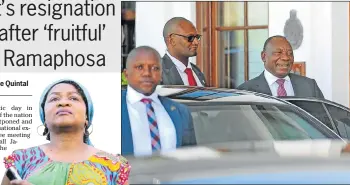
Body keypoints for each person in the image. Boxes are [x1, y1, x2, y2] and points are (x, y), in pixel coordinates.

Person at [2, 79, 131, 185]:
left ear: (87, 116)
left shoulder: (113, 166)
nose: (63, 102)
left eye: (74, 98)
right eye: (54, 99)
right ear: (44, 118)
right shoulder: (21, 160)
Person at [121, 46, 196, 156]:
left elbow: (191, 160)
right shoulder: (110, 110)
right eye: (140, 67)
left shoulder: (181, 112)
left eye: (155, 68)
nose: (147, 73)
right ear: (126, 74)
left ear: (161, 74)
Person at [237, 35, 324, 98]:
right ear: (264, 56)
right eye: (278, 53)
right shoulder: (245, 91)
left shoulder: (309, 86)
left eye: (290, 53)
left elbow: (324, 119)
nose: (286, 58)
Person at [161, 17, 206, 87]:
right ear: (172, 40)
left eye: (197, 37)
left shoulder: (197, 71)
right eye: (190, 38)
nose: (196, 42)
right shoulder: (157, 71)